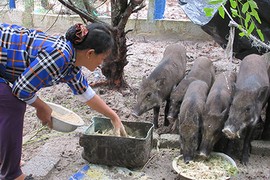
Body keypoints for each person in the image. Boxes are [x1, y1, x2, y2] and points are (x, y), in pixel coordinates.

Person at [0, 22, 127, 180]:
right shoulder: (60, 55)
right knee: (12, 104)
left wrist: (113, 117)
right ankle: (12, 175)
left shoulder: (72, 64)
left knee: (6, 103)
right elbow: (20, 89)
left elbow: (86, 94)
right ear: (90, 53)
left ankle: (6, 158)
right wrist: (42, 108)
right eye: (102, 58)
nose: (101, 64)